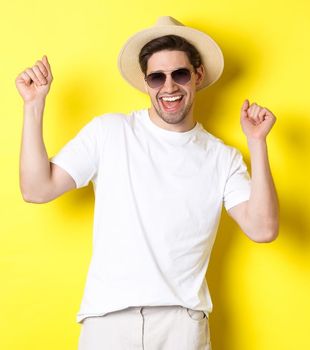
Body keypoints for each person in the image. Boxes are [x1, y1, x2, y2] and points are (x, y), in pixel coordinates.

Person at [16, 16, 279, 349]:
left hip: (181, 327)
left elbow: (263, 229)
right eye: (157, 77)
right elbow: (36, 189)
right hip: (108, 323)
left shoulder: (221, 157)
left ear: (197, 75)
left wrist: (257, 142)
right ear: (146, 83)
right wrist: (33, 105)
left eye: (180, 74)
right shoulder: (109, 132)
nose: (168, 87)